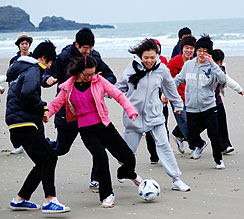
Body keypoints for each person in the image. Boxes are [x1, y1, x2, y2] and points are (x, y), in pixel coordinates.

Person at [45, 55, 142, 208]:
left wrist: (130, 110)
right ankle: (107, 195)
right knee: (101, 158)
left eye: (93, 74)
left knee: (128, 157)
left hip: (104, 126)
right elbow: (56, 104)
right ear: (78, 71)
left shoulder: (98, 80)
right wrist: (46, 113)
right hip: (86, 129)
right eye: (87, 74)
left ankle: (127, 173)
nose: (90, 77)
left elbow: (118, 95)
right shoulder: (67, 87)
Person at [41, 27, 116, 191]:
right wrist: (48, 79)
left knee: (99, 149)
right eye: (85, 48)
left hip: (91, 114)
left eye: (91, 48)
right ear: (77, 45)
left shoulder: (94, 57)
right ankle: (44, 146)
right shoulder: (64, 57)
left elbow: (110, 76)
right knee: (61, 149)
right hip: (68, 113)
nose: (88, 51)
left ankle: (96, 179)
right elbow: (46, 73)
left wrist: (102, 87)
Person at [116, 38, 190, 192]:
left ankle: (176, 179)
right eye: (146, 57)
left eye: (152, 57)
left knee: (164, 146)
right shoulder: (131, 68)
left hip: (154, 115)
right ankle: (125, 171)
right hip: (134, 117)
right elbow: (120, 87)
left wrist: (177, 105)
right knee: (127, 151)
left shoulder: (161, 69)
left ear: (157, 55)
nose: (149, 61)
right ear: (140, 56)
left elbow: (170, 88)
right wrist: (103, 92)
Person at [5, 41, 70, 213]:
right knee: (50, 157)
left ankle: (20, 199)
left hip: (17, 123)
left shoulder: (21, 69)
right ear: (43, 58)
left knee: (42, 162)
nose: (48, 67)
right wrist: (43, 107)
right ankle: (50, 200)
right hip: (24, 123)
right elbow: (27, 93)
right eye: (49, 63)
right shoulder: (32, 69)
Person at [175, 34, 227, 169]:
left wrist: (213, 64)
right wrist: (166, 92)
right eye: (199, 50)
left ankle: (218, 160)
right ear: (196, 51)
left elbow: (223, 79)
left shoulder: (213, 67)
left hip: (209, 106)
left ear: (209, 53)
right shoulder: (188, 65)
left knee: (214, 134)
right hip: (191, 107)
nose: (201, 53)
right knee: (191, 136)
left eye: (205, 51)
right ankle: (199, 145)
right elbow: (178, 80)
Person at [167, 35, 200, 153]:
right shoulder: (173, 62)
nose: (189, 50)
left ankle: (178, 135)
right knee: (184, 121)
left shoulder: (195, 63)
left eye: (192, 48)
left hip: (191, 98)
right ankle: (196, 145)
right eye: (186, 47)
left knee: (195, 122)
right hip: (176, 98)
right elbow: (165, 78)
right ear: (181, 48)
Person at [212, 49, 244, 154]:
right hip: (206, 102)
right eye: (217, 62)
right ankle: (179, 132)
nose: (219, 64)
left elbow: (227, 80)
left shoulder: (222, 68)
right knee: (201, 124)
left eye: (221, 61)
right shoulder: (207, 69)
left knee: (222, 122)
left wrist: (239, 89)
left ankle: (226, 145)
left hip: (217, 100)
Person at [145, 39, 169, 164]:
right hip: (148, 101)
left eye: (158, 47)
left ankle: (165, 153)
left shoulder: (164, 61)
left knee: (163, 126)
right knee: (149, 130)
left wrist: (166, 94)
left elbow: (167, 80)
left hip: (162, 99)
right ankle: (153, 155)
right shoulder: (143, 62)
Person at [9, 32, 33, 154]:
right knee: (14, 119)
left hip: (30, 92)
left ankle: (34, 143)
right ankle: (18, 145)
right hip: (16, 94)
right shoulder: (14, 60)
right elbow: (10, 77)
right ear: (18, 45)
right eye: (22, 43)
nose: (24, 46)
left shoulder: (34, 59)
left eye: (26, 43)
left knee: (32, 117)